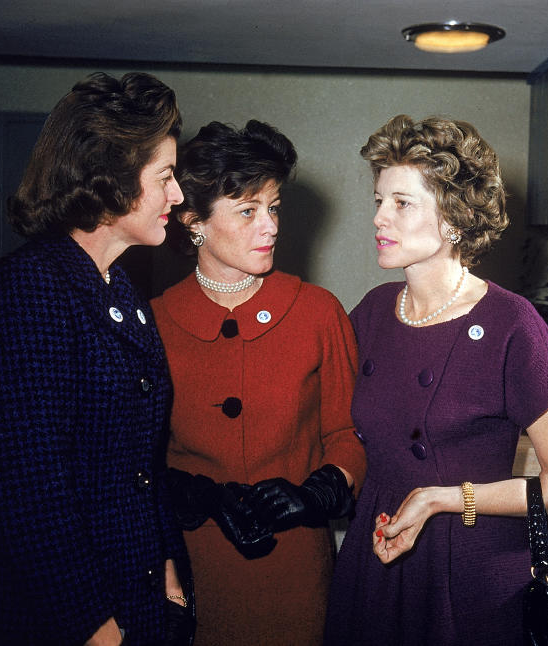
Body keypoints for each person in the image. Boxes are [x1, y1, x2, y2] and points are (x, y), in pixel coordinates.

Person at [0, 72, 195, 646]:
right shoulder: (26, 289)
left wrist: (167, 569)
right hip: (49, 618)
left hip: (132, 597)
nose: (178, 195)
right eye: (165, 176)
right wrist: (95, 629)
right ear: (110, 182)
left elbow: (139, 466)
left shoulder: (119, 289)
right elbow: (30, 495)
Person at [325, 115, 548, 645]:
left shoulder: (511, 323)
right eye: (379, 200)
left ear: (452, 219)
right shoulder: (373, 313)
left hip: (469, 572)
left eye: (401, 203)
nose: (380, 217)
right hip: (375, 559)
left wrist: (444, 498)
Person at [150, 120, 367, 645]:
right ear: (193, 221)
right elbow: (138, 455)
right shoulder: (153, 321)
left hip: (296, 571)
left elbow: (348, 432)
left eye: (273, 208)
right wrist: (191, 494)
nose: (269, 226)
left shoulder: (318, 312)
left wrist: (322, 489)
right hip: (191, 565)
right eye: (247, 211)